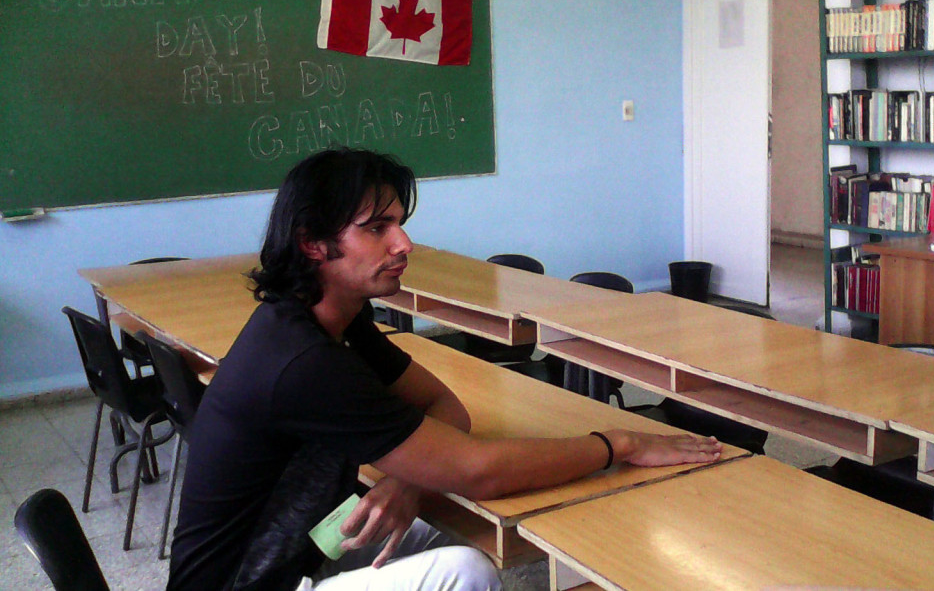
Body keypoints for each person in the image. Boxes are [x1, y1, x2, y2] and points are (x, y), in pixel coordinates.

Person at [167, 148, 722, 591]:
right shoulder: (303, 361)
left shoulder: (332, 321)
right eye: (377, 228)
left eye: (400, 225)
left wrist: (408, 479)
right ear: (313, 243)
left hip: (306, 545)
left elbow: (446, 409)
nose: (404, 243)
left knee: (445, 527)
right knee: (468, 572)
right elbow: (480, 469)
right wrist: (617, 443)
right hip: (257, 582)